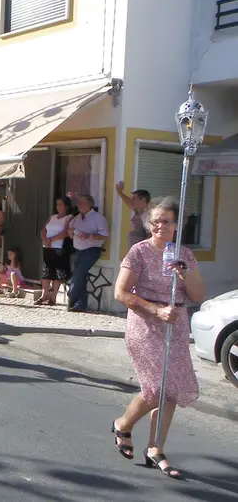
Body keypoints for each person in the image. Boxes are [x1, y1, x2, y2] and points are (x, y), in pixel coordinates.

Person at [111, 197, 205, 480]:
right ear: (148, 224)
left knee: (171, 390)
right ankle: (122, 424)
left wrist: (184, 273)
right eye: (155, 221)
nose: (160, 226)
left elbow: (199, 296)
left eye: (166, 221)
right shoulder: (138, 252)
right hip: (145, 323)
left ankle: (156, 448)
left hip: (175, 325)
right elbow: (121, 293)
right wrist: (154, 310)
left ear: (177, 225)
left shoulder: (184, 255)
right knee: (154, 389)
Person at [67, 194, 109, 312]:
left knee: (78, 275)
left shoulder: (98, 218)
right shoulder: (76, 218)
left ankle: (71, 296)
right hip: (78, 251)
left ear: (89, 204)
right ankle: (81, 304)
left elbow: (105, 236)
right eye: (78, 202)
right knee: (81, 277)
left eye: (82, 202)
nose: (79, 205)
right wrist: (70, 231)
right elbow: (70, 233)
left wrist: (89, 235)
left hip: (91, 251)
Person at [36, 197, 73, 305]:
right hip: (47, 247)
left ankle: (53, 297)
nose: (58, 207)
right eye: (57, 204)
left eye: (60, 204)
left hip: (59, 247)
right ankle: (44, 295)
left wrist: (51, 239)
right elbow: (44, 229)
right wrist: (45, 239)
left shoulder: (69, 218)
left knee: (57, 273)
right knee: (46, 271)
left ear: (66, 206)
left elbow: (66, 233)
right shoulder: (52, 217)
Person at [116, 181, 151, 249]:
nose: (132, 200)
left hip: (141, 252)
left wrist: (143, 250)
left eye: (134, 199)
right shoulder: (138, 212)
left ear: (143, 200)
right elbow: (130, 203)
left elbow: (150, 235)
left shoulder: (147, 215)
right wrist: (120, 192)